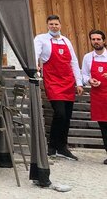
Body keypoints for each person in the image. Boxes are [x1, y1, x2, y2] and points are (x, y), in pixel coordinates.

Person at [34, 15, 83, 160]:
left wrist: (78, 83)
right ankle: (52, 145)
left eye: (56, 24)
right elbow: (35, 53)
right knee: (59, 113)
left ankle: (62, 147)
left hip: (68, 82)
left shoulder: (66, 41)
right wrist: (34, 65)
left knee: (67, 116)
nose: (54, 26)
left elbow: (73, 61)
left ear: (60, 25)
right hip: (53, 82)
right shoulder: (41, 39)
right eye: (51, 24)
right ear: (47, 25)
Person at [81, 29, 107, 164]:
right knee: (103, 126)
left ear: (104, 40)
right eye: (93, 39)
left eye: (98, 39)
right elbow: (84, 75)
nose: (96, 42)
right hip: (98, 96)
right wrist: (90, 81)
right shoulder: (87, 57)